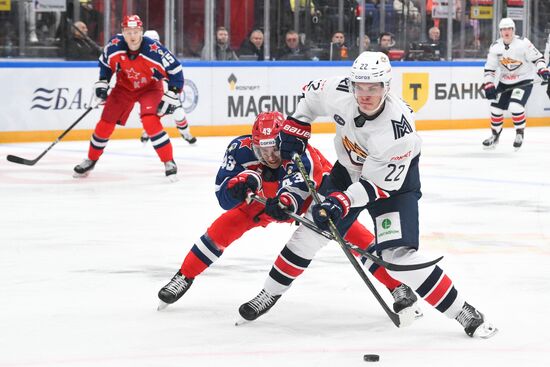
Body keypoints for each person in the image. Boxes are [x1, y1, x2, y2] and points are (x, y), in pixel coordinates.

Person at [246, 51, 498, 338]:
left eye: (373, 88)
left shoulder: (398, 130)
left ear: (386, 87)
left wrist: (341, 200)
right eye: (360, 87)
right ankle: (268, 293)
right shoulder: (341, 90)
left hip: (394, 186)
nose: (365, 95)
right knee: (309, 233)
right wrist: (299, 122)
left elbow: (378, 185)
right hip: (348, 169)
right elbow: (311, 95)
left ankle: (463, 311)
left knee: (399, 258)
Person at [157, 111, 421, 320]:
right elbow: (222, 196)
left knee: (352, 235)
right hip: (266, 196)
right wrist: (239, 184)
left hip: (314, 192)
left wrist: (283, 203)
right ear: (253, 143)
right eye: (263, 151)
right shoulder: (239, 149)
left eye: (275, 150)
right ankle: (185, 275)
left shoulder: (299, 154)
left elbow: (293, 195)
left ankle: (397, 285)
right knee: (225, 226)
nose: (270, 157)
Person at [73, 15, 183, 180]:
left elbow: (175, 69)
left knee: (150, 121)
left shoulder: (154, 49)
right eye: (128, 32)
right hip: (124, 87)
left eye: (136, 31)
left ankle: (169, 161)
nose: (132, 36)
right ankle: (91, 159)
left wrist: (173, 92)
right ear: (123, 32)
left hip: (150, 88)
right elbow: (105, 63)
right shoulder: (114, 45)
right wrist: (103, 81)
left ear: (141, 32)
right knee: (105, 123)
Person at [482, 18, 549, 150]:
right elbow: (490, 68)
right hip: (504, 82)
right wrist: (489, 84)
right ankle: (495, 135)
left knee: (515, 106)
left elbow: (538, 58)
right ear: (500, 31)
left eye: (509, 29)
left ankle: (519, 133)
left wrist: (542, 69)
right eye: (503, 29)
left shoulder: (523, 43)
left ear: (513, 30)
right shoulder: (496, 47)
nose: (506, 32)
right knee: (495, 109)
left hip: (524, 81)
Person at [139, 30, 196, 145]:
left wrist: (173, 91)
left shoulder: (164, 55)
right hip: (151, 87)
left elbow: (175, 74)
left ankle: (185, 133)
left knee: (178, 111)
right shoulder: (138, 56)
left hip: (165, 87)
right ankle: (148, 129)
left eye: (154, 42)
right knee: (151, 110)